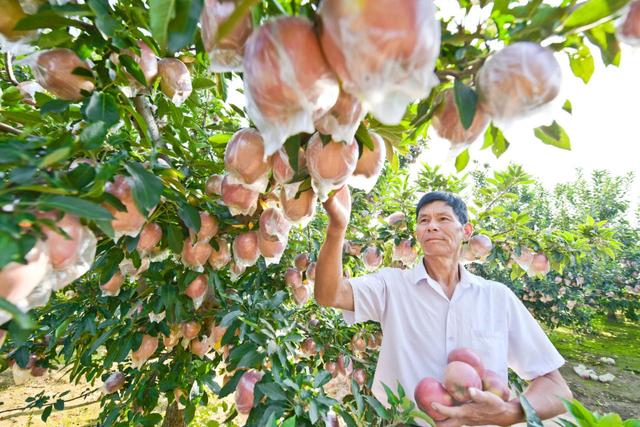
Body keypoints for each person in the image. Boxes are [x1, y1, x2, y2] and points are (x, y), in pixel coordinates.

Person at [315, 188, 572, 426]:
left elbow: (556, 388)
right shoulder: (392, 286)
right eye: (424, 221)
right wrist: (337, 227)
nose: (432, 226)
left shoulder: (497, 298)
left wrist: (510, 412)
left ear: (467, 231)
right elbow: (330, 294)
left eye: (443, 219)